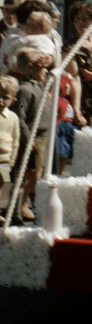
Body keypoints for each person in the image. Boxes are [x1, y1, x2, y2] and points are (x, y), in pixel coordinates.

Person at [13, 45, 53, 222]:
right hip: (31, 138)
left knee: (36, 174)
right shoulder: (24, 91)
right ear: (30, 69)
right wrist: (28, 141)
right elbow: (20, 117)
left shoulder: (39, 87)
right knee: (26, 175)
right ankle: (19, 207)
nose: (45, 71)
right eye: (42, 68)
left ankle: (25, 203)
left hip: (42, 137)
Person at [0, 74, 20, 225]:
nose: (1, 100)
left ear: (12, 101)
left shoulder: (13, 117)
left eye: (5, 97)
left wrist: (12, 160)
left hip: (5, 160)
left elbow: (16, 140)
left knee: (2, 186)